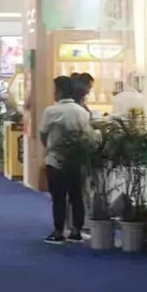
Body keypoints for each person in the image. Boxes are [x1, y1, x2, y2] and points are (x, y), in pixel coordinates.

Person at [39, 75, 91, 244]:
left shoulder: (51, 111)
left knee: (58, 198)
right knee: (76, 196)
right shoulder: (81, 111)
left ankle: (58, 231)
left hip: (55, 159)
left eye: (55, 90)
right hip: (76, 160)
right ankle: (76, 230)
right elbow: (86, 135)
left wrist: (49, 147)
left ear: (60, 92)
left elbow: (43, 133)